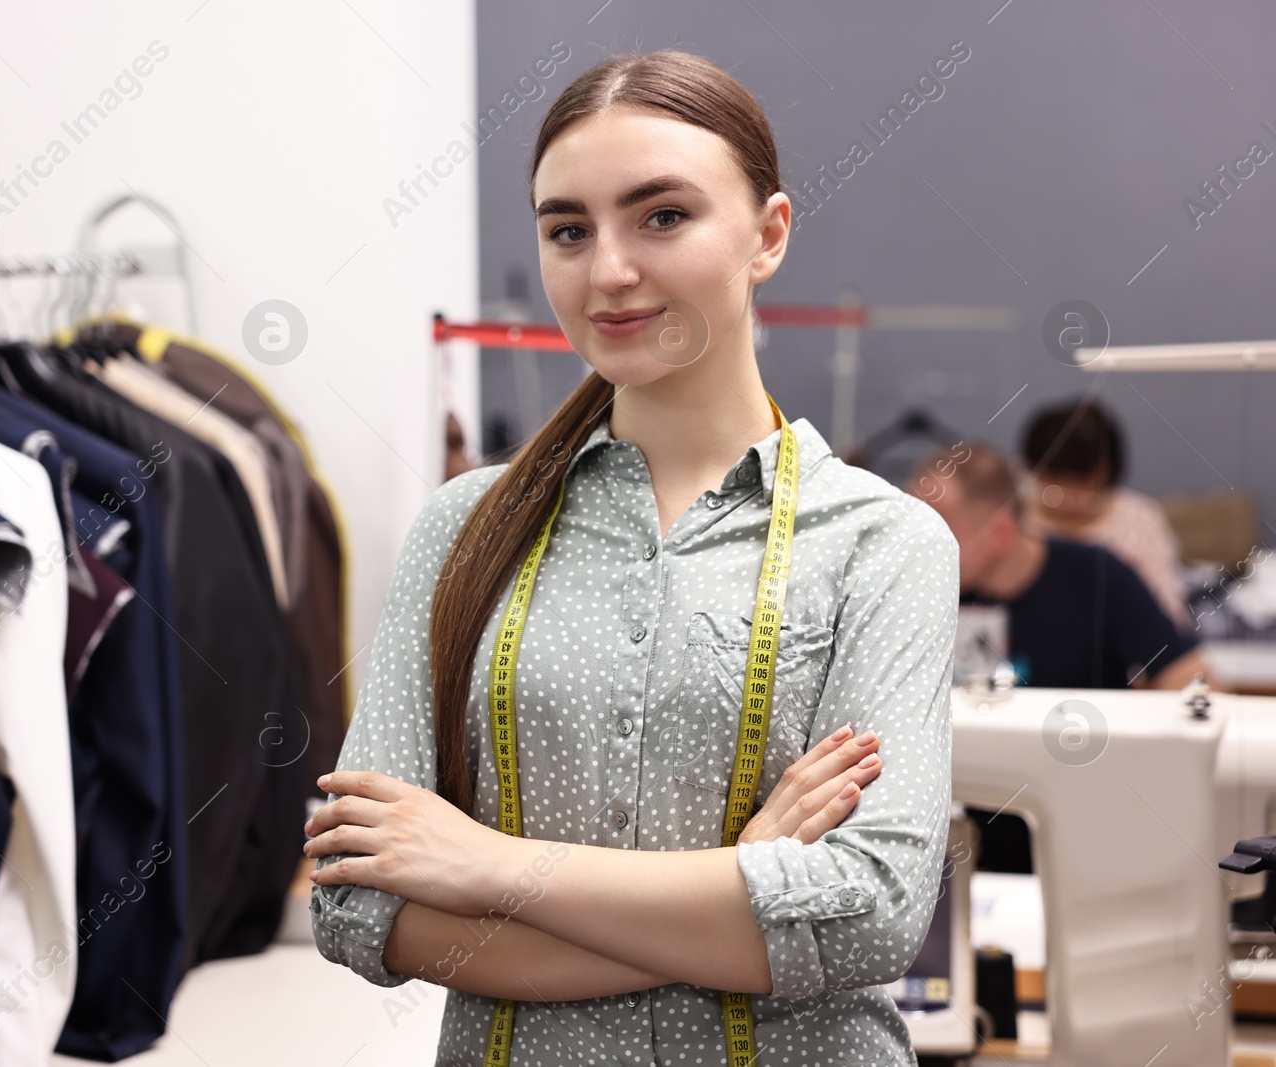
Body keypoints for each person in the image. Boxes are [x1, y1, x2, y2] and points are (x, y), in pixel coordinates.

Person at [307, 51, 959, 1066]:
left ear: (767, 235)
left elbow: (866, 915)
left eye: (661, 217)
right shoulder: (461, 529)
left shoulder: (884, 545)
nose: (607, 269)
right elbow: (353, 905)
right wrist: (735, 884)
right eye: (568, 228)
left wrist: (486, 865)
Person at [909, 441, 1211, 692]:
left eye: (937, 531)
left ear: (1000, 532)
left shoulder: (1097, 577)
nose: (915, 550)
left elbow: (1191, 679)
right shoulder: (920, 592)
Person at [1020, 398, 1191, 632]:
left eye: (1081, 481)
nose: (1067, 497)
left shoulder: (1139, 520)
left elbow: (1169, 614)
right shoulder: (1015, 519)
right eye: (1053, 479)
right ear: (1032, 469)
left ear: (1106, 473)